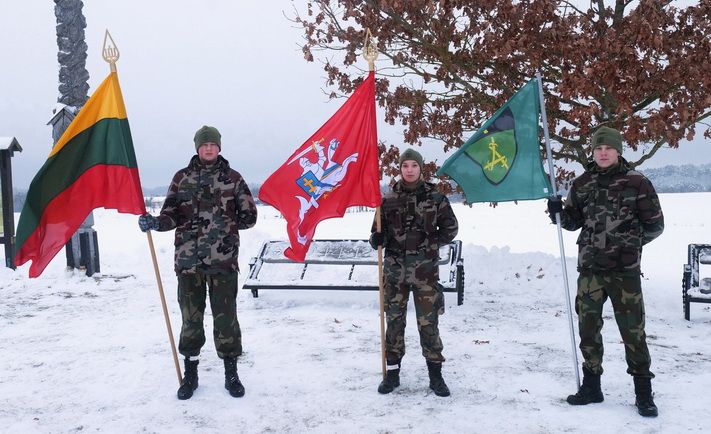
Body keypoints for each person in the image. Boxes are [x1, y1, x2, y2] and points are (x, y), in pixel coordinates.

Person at [547, 126, 664, 417]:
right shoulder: (583, 183)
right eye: (598, 148)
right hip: (590, 271)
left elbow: (655, 225)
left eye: (608, 148)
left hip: (625, 272)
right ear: (593, 151)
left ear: (618, 151)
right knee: (588, 328)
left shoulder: (637, 183)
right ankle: (592, 386)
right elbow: (573, 222)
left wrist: (630, 245)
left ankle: (643, 392)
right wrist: (557, 212)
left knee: (633, 331)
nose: (603, 152)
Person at [138, 125, 257, 400]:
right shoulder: (182, 179)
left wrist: (225, 227)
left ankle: (231, 372)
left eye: (213, 145)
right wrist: (155, 222)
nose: (208, 149)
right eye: (204, 145)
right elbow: (170, 215)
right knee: (191, 320)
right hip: (189, 263)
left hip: (223, 262)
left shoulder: (233, 178)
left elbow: (249, 217)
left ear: (219, 147)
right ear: (197, 148)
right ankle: (190, 374)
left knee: (226, 320)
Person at [369, 148, 459, 397]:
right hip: (395, 274)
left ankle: (436, 376)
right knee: (394, 324)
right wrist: (376, 238)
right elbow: (378, 233)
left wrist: (429, 245)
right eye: (405, 165)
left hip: (425, 274)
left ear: (421, 168)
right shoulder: (386, 200)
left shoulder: (435, 197)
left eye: (414, 165)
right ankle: (393, 375)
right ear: (400, 169)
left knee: (428, 325)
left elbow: (451, 228)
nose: (409, 169)